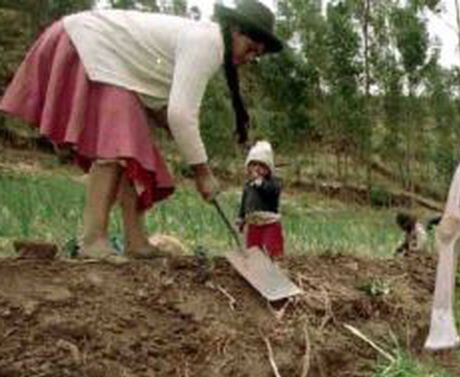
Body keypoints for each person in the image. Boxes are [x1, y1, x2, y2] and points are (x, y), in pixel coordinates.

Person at [0, 0, 283, 258]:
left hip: (114, 65)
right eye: (250, 49)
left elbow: (163, 106)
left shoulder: (206, 42)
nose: (250, 58)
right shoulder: (207, 43)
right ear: (235, 30)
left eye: (257, 55)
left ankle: (136, 242)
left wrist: (182, 136)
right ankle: (92, 239)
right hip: (91, 46)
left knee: (133, 152)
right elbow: (181, 114)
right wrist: (203, 173)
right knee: (116, 148)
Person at [236, 140, 283, 258]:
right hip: (253, 222)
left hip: (269, 222)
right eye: (254, 165)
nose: (257, 168)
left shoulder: (273, 183)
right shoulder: (248, 185)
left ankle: (274, 266)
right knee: (253, 249)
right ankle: (256, 267)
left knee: (271, 248)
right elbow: (244, 202)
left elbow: (271, 192)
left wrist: (259, 182)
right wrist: (241, 218)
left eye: (261, 165)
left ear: (268, 168)